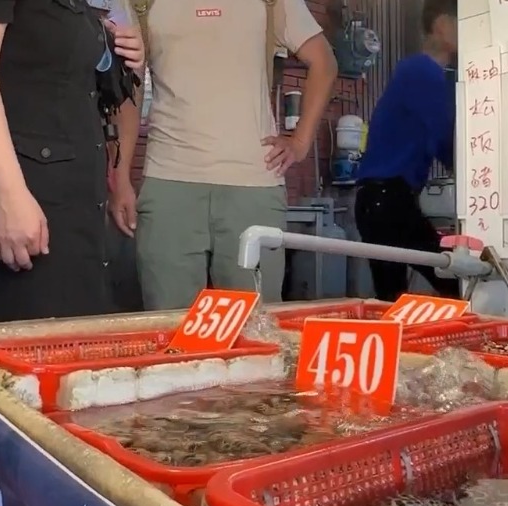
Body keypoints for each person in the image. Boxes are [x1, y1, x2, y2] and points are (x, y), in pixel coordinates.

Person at [0, 0, 145, 326]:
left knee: (65, 343)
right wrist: (9, 196)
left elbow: (42, 60)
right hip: (9, 202)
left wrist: (110, 50)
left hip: (68, 211)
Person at [108, 0, 338, 310]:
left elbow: (324, 62)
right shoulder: (139, 3)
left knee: (254, 323)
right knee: (169, 323)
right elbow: (128, 91)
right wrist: (119, 176)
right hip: (169, 185)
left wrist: (300, 141)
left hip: (253, 187)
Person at [352, 0, 460, 302]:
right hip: (387, 198)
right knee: (452, 281)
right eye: (460, 22)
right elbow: (445, 138)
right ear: (442, 25)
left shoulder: (418, 71)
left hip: (382, 200)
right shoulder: (422, 71)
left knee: (395, 296)